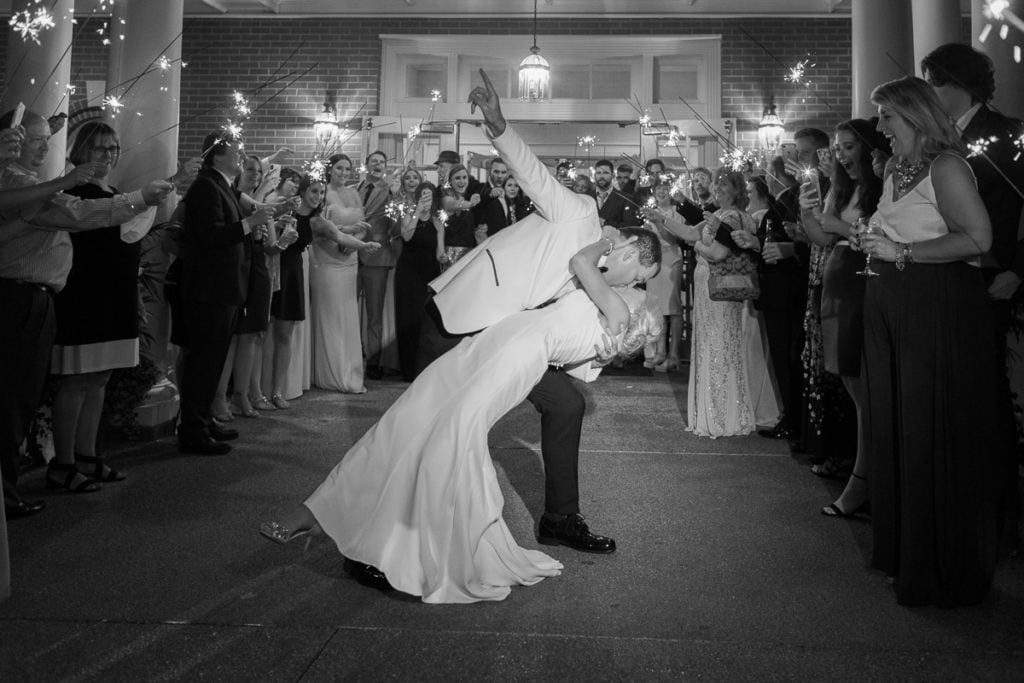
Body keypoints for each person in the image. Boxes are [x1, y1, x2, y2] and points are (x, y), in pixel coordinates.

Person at [261, 239, 660, 603]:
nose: (641, 285)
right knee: (409, 416)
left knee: (451, 437)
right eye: (644, 277)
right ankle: (323, 511)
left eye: (644, 283)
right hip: (494, 339)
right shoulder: (597, 300)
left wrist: (607, 240)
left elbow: (579, 260)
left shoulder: (618, 310)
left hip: (519, 354)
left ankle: (412, 548)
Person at [422, 69, 661, 560]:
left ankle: (559, 519)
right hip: (460, 319)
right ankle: (391, 537)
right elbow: (533, 173)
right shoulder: (580, 214)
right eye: (638, 263)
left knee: (566, 404)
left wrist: (611, 346)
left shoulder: (599, 279)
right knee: (436, 425)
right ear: (627, 243)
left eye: (640, 279)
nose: (633, 280)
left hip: (512, 339)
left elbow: (570, 334)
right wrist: (499, 125)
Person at [859, 76, 1001, 606]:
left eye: (887, 119)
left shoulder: (948, 167)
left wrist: (902, 254)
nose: (881, 129)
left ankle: (941, 563)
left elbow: (978, 239)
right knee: (896, 421)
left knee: (929, 425)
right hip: (892, 303)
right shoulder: (896, 168)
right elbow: (897, 230)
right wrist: (872, 240)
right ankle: (906, 551)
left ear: (915, 117)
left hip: (937, 307)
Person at [0, 109, 173, 511]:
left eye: (49, 138)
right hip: (25, 296)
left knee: (28, 398)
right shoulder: (20, 183)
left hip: (39, 295)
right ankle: (14, 489)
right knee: (14, 402)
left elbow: (86, 215)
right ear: (12, 140)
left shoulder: (32, 183)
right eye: (39, 139)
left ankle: (50, 471)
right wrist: (137, 197)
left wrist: (141, 198)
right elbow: (79, 214)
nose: (47, 146)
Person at [922, 42, 1024, 556]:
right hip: (943, 277)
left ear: (961, 84)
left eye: (935, 82)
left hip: (991, 277)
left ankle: (999, 515)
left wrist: (1019, 271)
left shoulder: (1008, 135)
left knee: (987, 397)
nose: (931, 93)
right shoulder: (936, 141)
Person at [796, 119, 887, 516]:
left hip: (865, 282)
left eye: (849, 147)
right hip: (837, 283)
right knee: (852, 384)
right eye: (837, 148)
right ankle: (864, 470)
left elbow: (876, 237)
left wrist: (839, 225)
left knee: (866, 387)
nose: (842, 155)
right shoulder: (841, 187)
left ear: (867, 148)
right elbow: (820, 237)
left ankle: (864, 480)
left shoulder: (882, 187)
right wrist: (807, 210)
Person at [178, 132, 274, 455]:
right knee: (203, 361)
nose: (241, 156)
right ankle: (192, 429)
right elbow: (210, 236)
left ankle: (203, 421)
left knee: (214, 360)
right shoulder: (206, 186)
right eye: (236, 151)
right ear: (217, 155)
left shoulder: (223, 185)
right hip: (210, 288)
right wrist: (250, 224)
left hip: (226, 286)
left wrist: (255, 221)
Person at [684, 167, 759, 438]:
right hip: (707, 290)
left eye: (724, 184)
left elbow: (718, 253)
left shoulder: (735, 217)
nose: (717, 187)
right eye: (716, 183)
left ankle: (721, 415)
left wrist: (698, 248)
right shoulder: (715, 214)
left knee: (719, 343)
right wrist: (660, 219)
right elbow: (689, 232)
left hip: (721, 289)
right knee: (707, 343)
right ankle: (708, 411)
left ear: (738, 190)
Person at [310, 164, 381, 393]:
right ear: (330, 170)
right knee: (331, 316)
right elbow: (327, 230)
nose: (344, 172)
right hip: (328, 259)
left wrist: (353, 245)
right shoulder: (321, 192)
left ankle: (349, 371)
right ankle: (329, 373)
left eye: (348, 168)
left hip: (349, 259)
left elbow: (363, 225)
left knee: (348, 316)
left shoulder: (353, 193)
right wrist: (346, 237)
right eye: (339, 168)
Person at [394, 181, 440, 381]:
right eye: (423, 196)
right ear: (418, 198)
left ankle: (425, 368)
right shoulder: (408, 215)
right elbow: (407, 237)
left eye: (430, 197)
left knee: (425, 321)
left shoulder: (438, 222)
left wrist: (446, 258)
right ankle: (408, 370)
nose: (427, 200)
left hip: (429, 274)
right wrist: (416, 213)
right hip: (408, 273)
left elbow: (440, 252)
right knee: (407, 318)